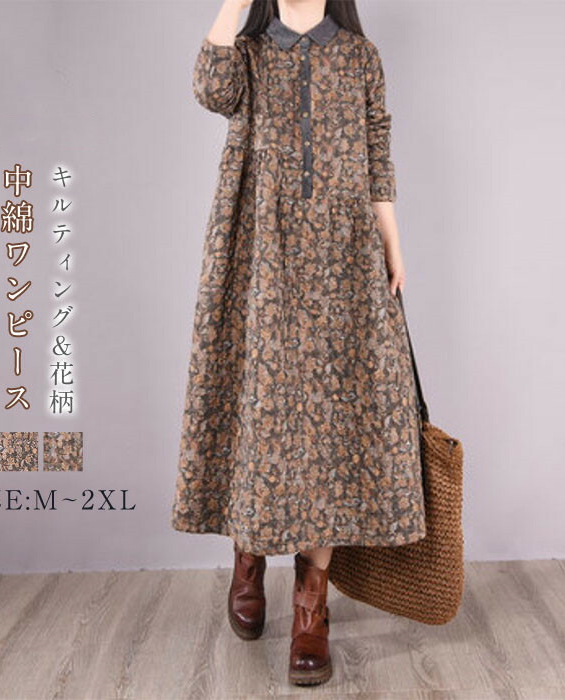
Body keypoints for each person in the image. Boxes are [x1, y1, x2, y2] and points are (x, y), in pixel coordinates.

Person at [171, 0, 426, 687]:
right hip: (262, 252)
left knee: (333, 428)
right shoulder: (250, 55)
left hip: (343, 255)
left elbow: (376, 149)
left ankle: (312, 602)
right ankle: (249, 555)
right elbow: (208, 87)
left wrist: (392, 244)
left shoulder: (360, 57)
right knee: (263, 414)